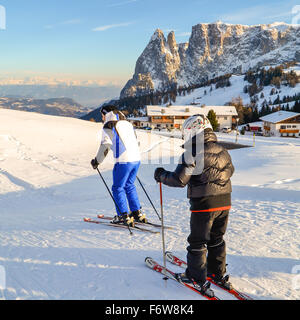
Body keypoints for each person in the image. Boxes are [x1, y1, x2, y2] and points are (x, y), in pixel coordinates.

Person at [154, 114, 234, 297]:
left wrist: (161, 175)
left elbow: (180, 179)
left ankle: (196, 278)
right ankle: (217, 272)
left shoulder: (193, 152)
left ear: (192, 131)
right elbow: (231, 171)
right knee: (217, 239)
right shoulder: (223, 149)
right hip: (225, 201)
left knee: (198, 241)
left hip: (204, 204)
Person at [91, 105, 147, 227]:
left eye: (102, 115)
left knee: (117, 188)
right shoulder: (127, 124)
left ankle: (123, 216)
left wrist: (97, 161)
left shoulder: (109, 125)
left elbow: (105, 145)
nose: (102, 117)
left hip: (123, 161)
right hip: (136, 159)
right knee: (129, 185)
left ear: (107, 114)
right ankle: (137, 213)